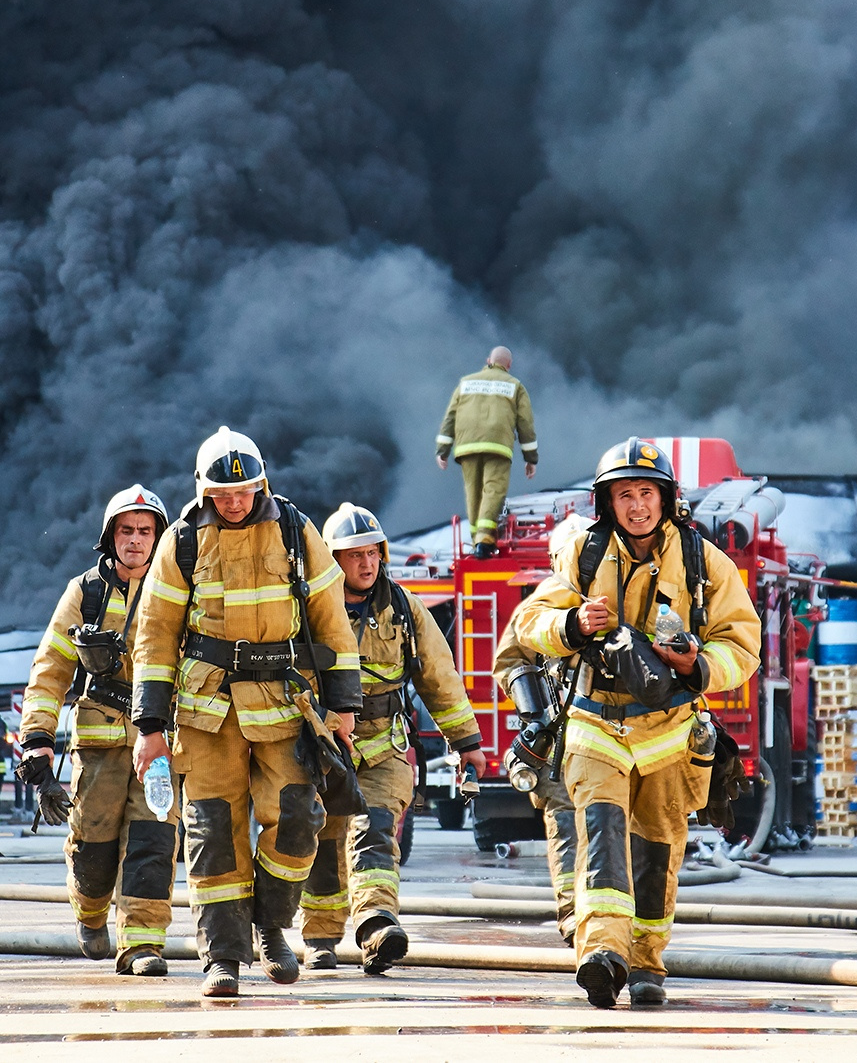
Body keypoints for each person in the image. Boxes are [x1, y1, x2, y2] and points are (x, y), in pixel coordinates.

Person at [515, 440, 761, 1008]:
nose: (637, 506)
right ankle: (602, 954)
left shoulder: (703, 563)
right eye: (624, 495)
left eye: (646, 493)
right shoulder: (584, 554)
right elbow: (529, 622)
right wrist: (572, 624)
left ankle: (647, 963)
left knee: (657, 851)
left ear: (666, 498)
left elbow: (742, 645)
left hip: (671, 731)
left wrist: (696, 662)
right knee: (600, 835)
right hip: (596, 725)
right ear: (606, 502)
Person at [128, 427, 361, 998]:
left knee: (300, 819)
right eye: (221, 493)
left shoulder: (294, 529)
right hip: (207, 712)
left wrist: (344, 707)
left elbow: (332, 620)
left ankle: (272, 925)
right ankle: (223, 958)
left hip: (284, 702)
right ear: (203, 490)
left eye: (244, 491)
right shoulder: (181, 540)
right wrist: (150, 728)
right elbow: (154, 637)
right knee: (212, 832)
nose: (233, 502)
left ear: (261, 484)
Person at [301, 503, 485, 975]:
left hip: (383, 743)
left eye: (373, 553)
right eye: (354, 554)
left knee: (375, 830)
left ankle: (375, 923)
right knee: (323, 839)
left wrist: (466, 743)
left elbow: (439, 676)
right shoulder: (307, 608)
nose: (367, 563)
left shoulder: (403, 609)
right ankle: (320, 937)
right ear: (330, 559)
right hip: (324, 745)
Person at [18, 485, 176, 976]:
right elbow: (51, 668)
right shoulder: (85, 592)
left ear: (159, 537)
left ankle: (142, 945)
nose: (136, 540)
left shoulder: (178, 589)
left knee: (153, 843)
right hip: (101, 742)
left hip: (160, 746)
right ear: (110, 537)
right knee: (93, 847)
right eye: (126, 531)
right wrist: (38, 743)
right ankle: (90, 914)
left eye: (146, 531)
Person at [491, 513, 590, 945]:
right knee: (566, 824)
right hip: (561, 737)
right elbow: (509, 660)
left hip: (617, 736)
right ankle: (573, 915)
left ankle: (610, 919)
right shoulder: (542, 604)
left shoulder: (624, 596)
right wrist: (536, 717)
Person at [436, 346, 538, 557]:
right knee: (492, 490)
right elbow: (525, 423)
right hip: (498, 446)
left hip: (467, 446)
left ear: (488, 360)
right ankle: (483, 539)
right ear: (508, 365)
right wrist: (530, 459)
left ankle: (478, 541)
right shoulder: (515, 386)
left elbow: (450, 417)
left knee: (472, 491)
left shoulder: (466, 383)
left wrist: (442, 450)